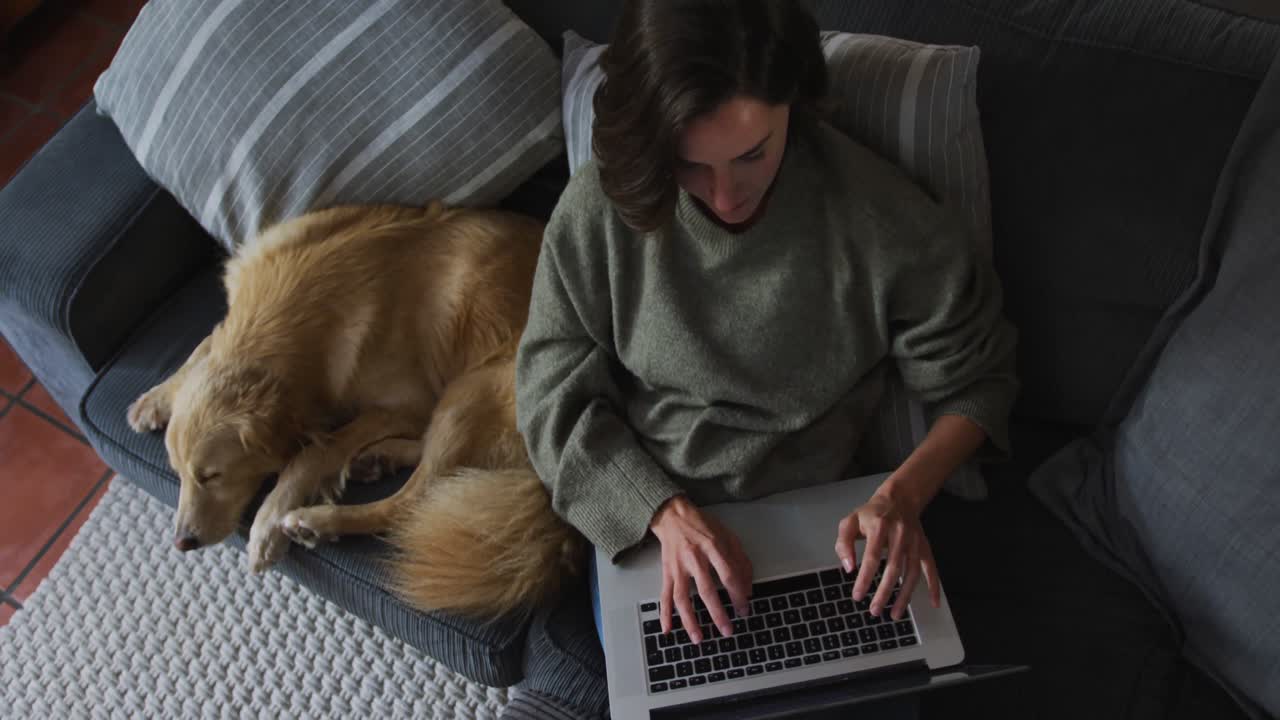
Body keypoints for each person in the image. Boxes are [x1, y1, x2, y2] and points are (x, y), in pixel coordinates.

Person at [515, 0, 1017, 652]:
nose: (726, 198)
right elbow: (550, 390)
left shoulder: (879, 217)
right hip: (653, 519)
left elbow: (980, 380)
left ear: (794, 104)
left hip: (827, 529)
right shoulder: (600, 211)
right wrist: (662, 514)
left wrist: (903, 498)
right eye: (692, 165)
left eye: (752, 153)